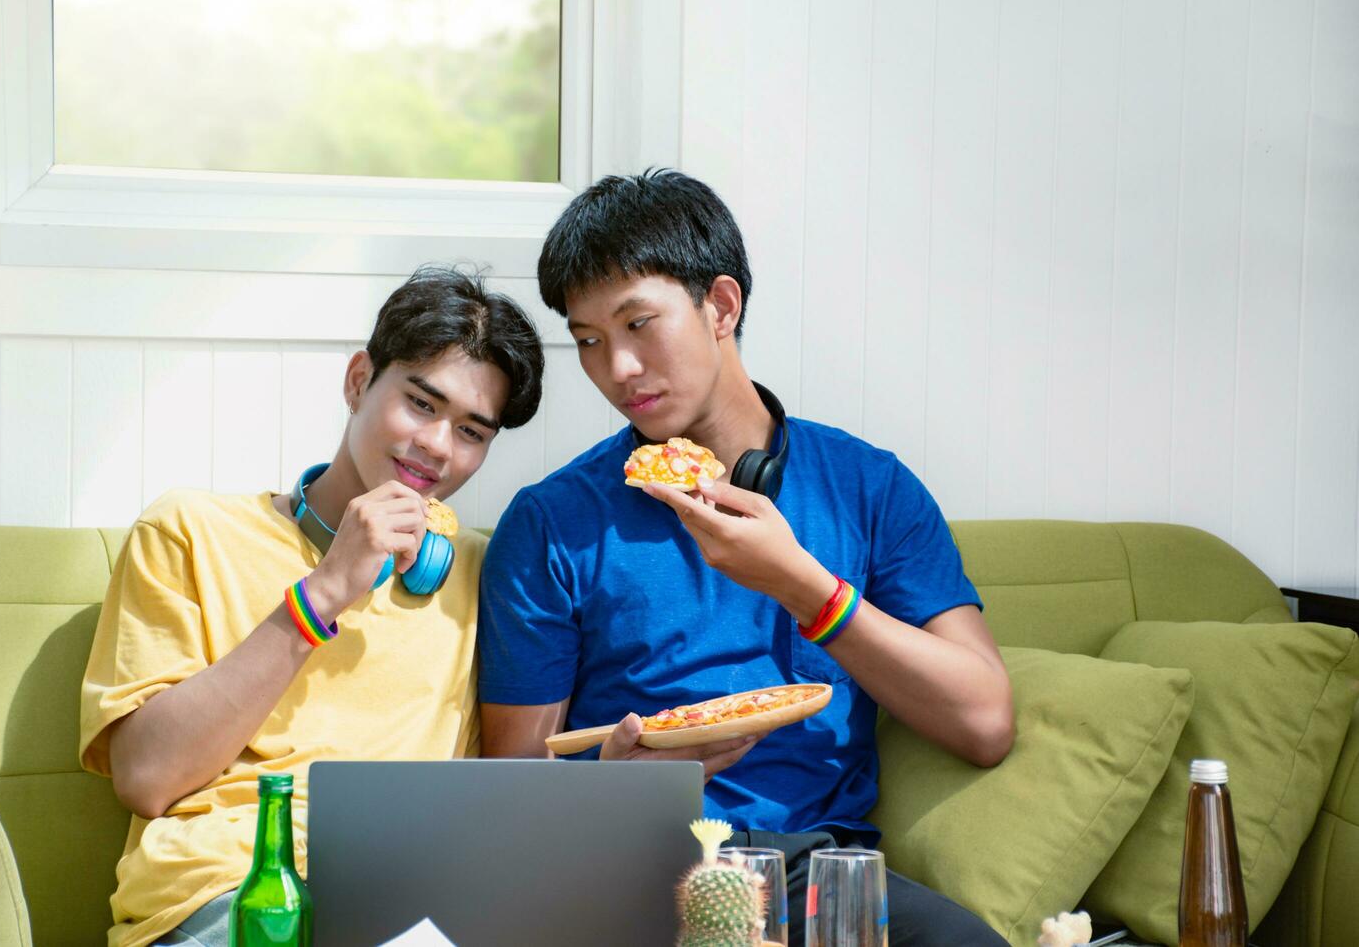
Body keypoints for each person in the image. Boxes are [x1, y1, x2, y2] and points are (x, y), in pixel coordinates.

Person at [478, 170, 1015, 946]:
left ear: (721, 306)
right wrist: (617, 794)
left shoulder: (868, 488)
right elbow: (511, 798)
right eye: (589, 340)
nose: (616, 369)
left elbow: (985, 721)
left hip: (822, 880)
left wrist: (804, 588)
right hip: (634, 873)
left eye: (639, 325)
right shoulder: (554, 521)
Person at [78, 266, 544, 947]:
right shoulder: (188, 530)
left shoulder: (481, 568)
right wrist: (325, 592)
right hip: (230, 899)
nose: (438, 447)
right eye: (420, 403)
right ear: (358, 381)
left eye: (472, 432)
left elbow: (513, 789)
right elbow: (146, 778)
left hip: (411, 908)